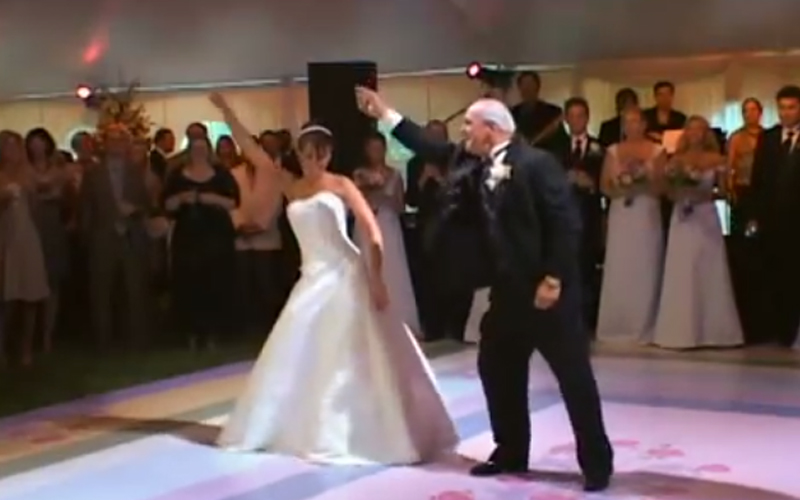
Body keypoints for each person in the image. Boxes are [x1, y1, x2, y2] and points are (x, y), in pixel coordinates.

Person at [355, 87, 613, 492]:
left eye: (468, 125)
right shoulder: (469, 161)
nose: (463, 132)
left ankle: (597, 464)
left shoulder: (537, 164)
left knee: (574, 377)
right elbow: (428, 146)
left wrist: (553, 278)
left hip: (548, 294)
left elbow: (565, 224)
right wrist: (385, 113)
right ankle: (511, 450)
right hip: (507, 294)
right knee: (496, 366)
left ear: (491, 128)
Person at [208, 92, 457, 465]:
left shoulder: (341, 184)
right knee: (302, 350)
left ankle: (361, 429)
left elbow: (372, 231)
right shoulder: (291, 185)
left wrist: (377, 279)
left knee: (353, 354)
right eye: (309, 153)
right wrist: (226, 111)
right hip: (311, 277)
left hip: (345, 273)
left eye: (321, 154)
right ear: (299, 153)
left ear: (328, 154)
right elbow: (253, 151)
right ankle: (299, 425)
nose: (315, 160)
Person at [651, 116, 743, 349]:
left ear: (706, 133)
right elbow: (666, 190)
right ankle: (681, 332)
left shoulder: (717, 159)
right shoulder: (675, 160)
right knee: (682, 270)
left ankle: (713, 332)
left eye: (699, 130)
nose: (695, 134)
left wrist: (706, 194)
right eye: (691, 129)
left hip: (705, 215)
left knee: (708, 269)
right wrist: (679, 193)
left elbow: (725, 192)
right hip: (682, 216)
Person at [353, 132, 421, 335]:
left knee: (393, 267)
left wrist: (385, 197)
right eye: (372, 149)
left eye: (380, 148)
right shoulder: (359, 174)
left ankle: (399, 319)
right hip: (367, 224)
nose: (376, 153)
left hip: (388, 224)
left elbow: (400, 206)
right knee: (367, 265)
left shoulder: (395, 174)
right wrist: (369, 190)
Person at [749, 85, 800, 346]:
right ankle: (776, 329)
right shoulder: (768, 138)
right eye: (782, 108)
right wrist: (755, 215)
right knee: (773, 273)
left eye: (791, 107)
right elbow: (758, 178)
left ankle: (793, 328)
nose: (786, 113)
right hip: (771, 219)